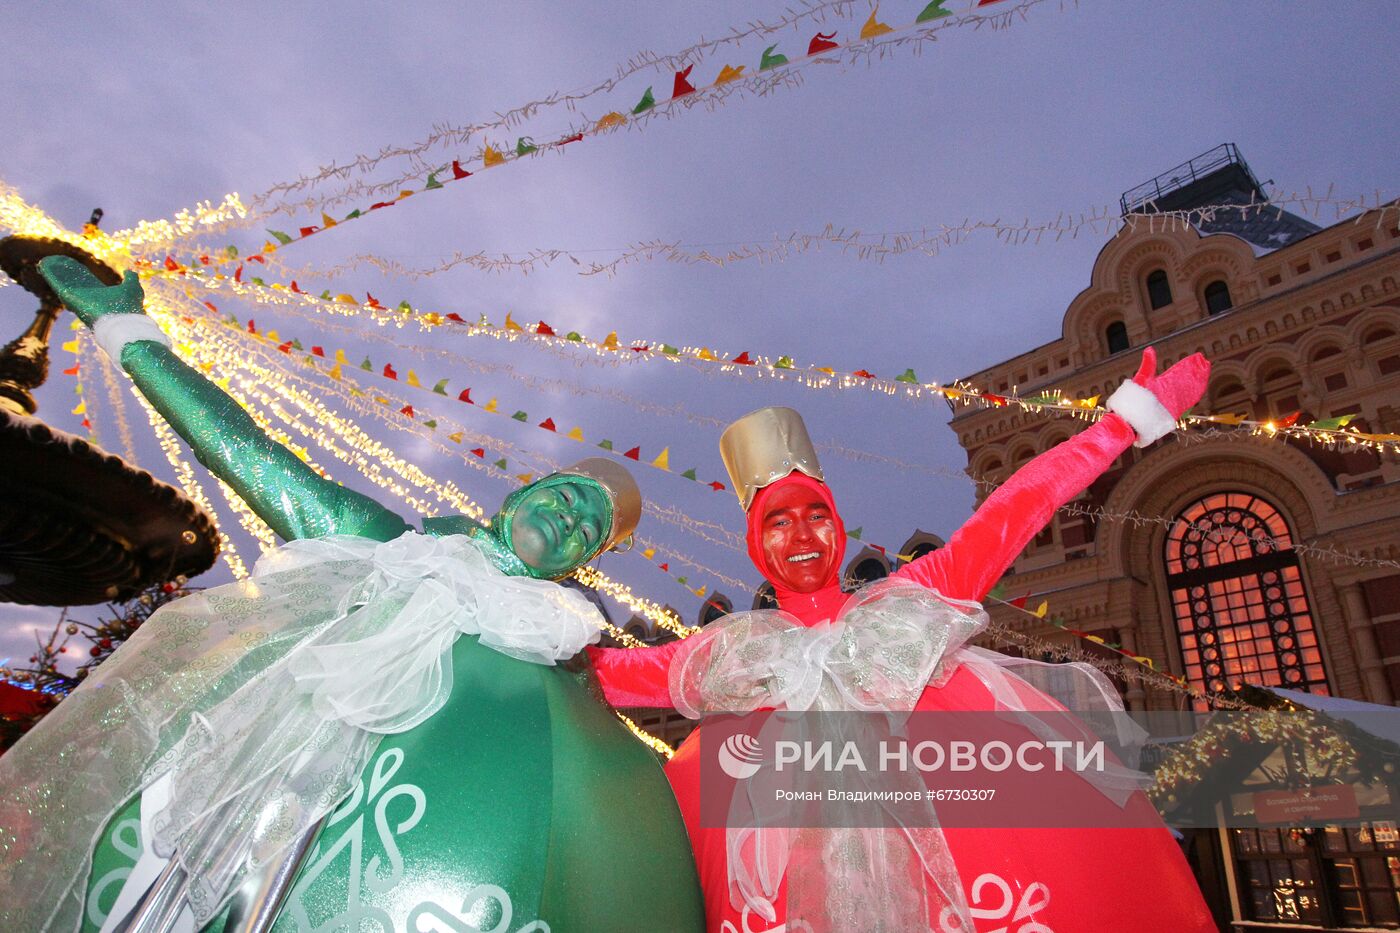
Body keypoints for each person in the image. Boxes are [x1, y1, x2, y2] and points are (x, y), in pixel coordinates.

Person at [0, 258, 704, 933]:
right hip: (242, 797)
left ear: (580, 565)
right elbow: (242, 448)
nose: (571, 518)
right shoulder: (389, 548)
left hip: (391, 865)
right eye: (570, 495)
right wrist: (128, 333)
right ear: (523, 491)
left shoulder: (554, 653)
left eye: (591, 529)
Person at [587, 354, 1218, 931]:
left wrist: (1117, 428)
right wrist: (507, 618)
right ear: (757, 544)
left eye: (816, 515)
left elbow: (1017, 506)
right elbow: (600, 672)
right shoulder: (731, 654)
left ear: (837, 524)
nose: (803, 534)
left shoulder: (911, 598)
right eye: (779, 522)